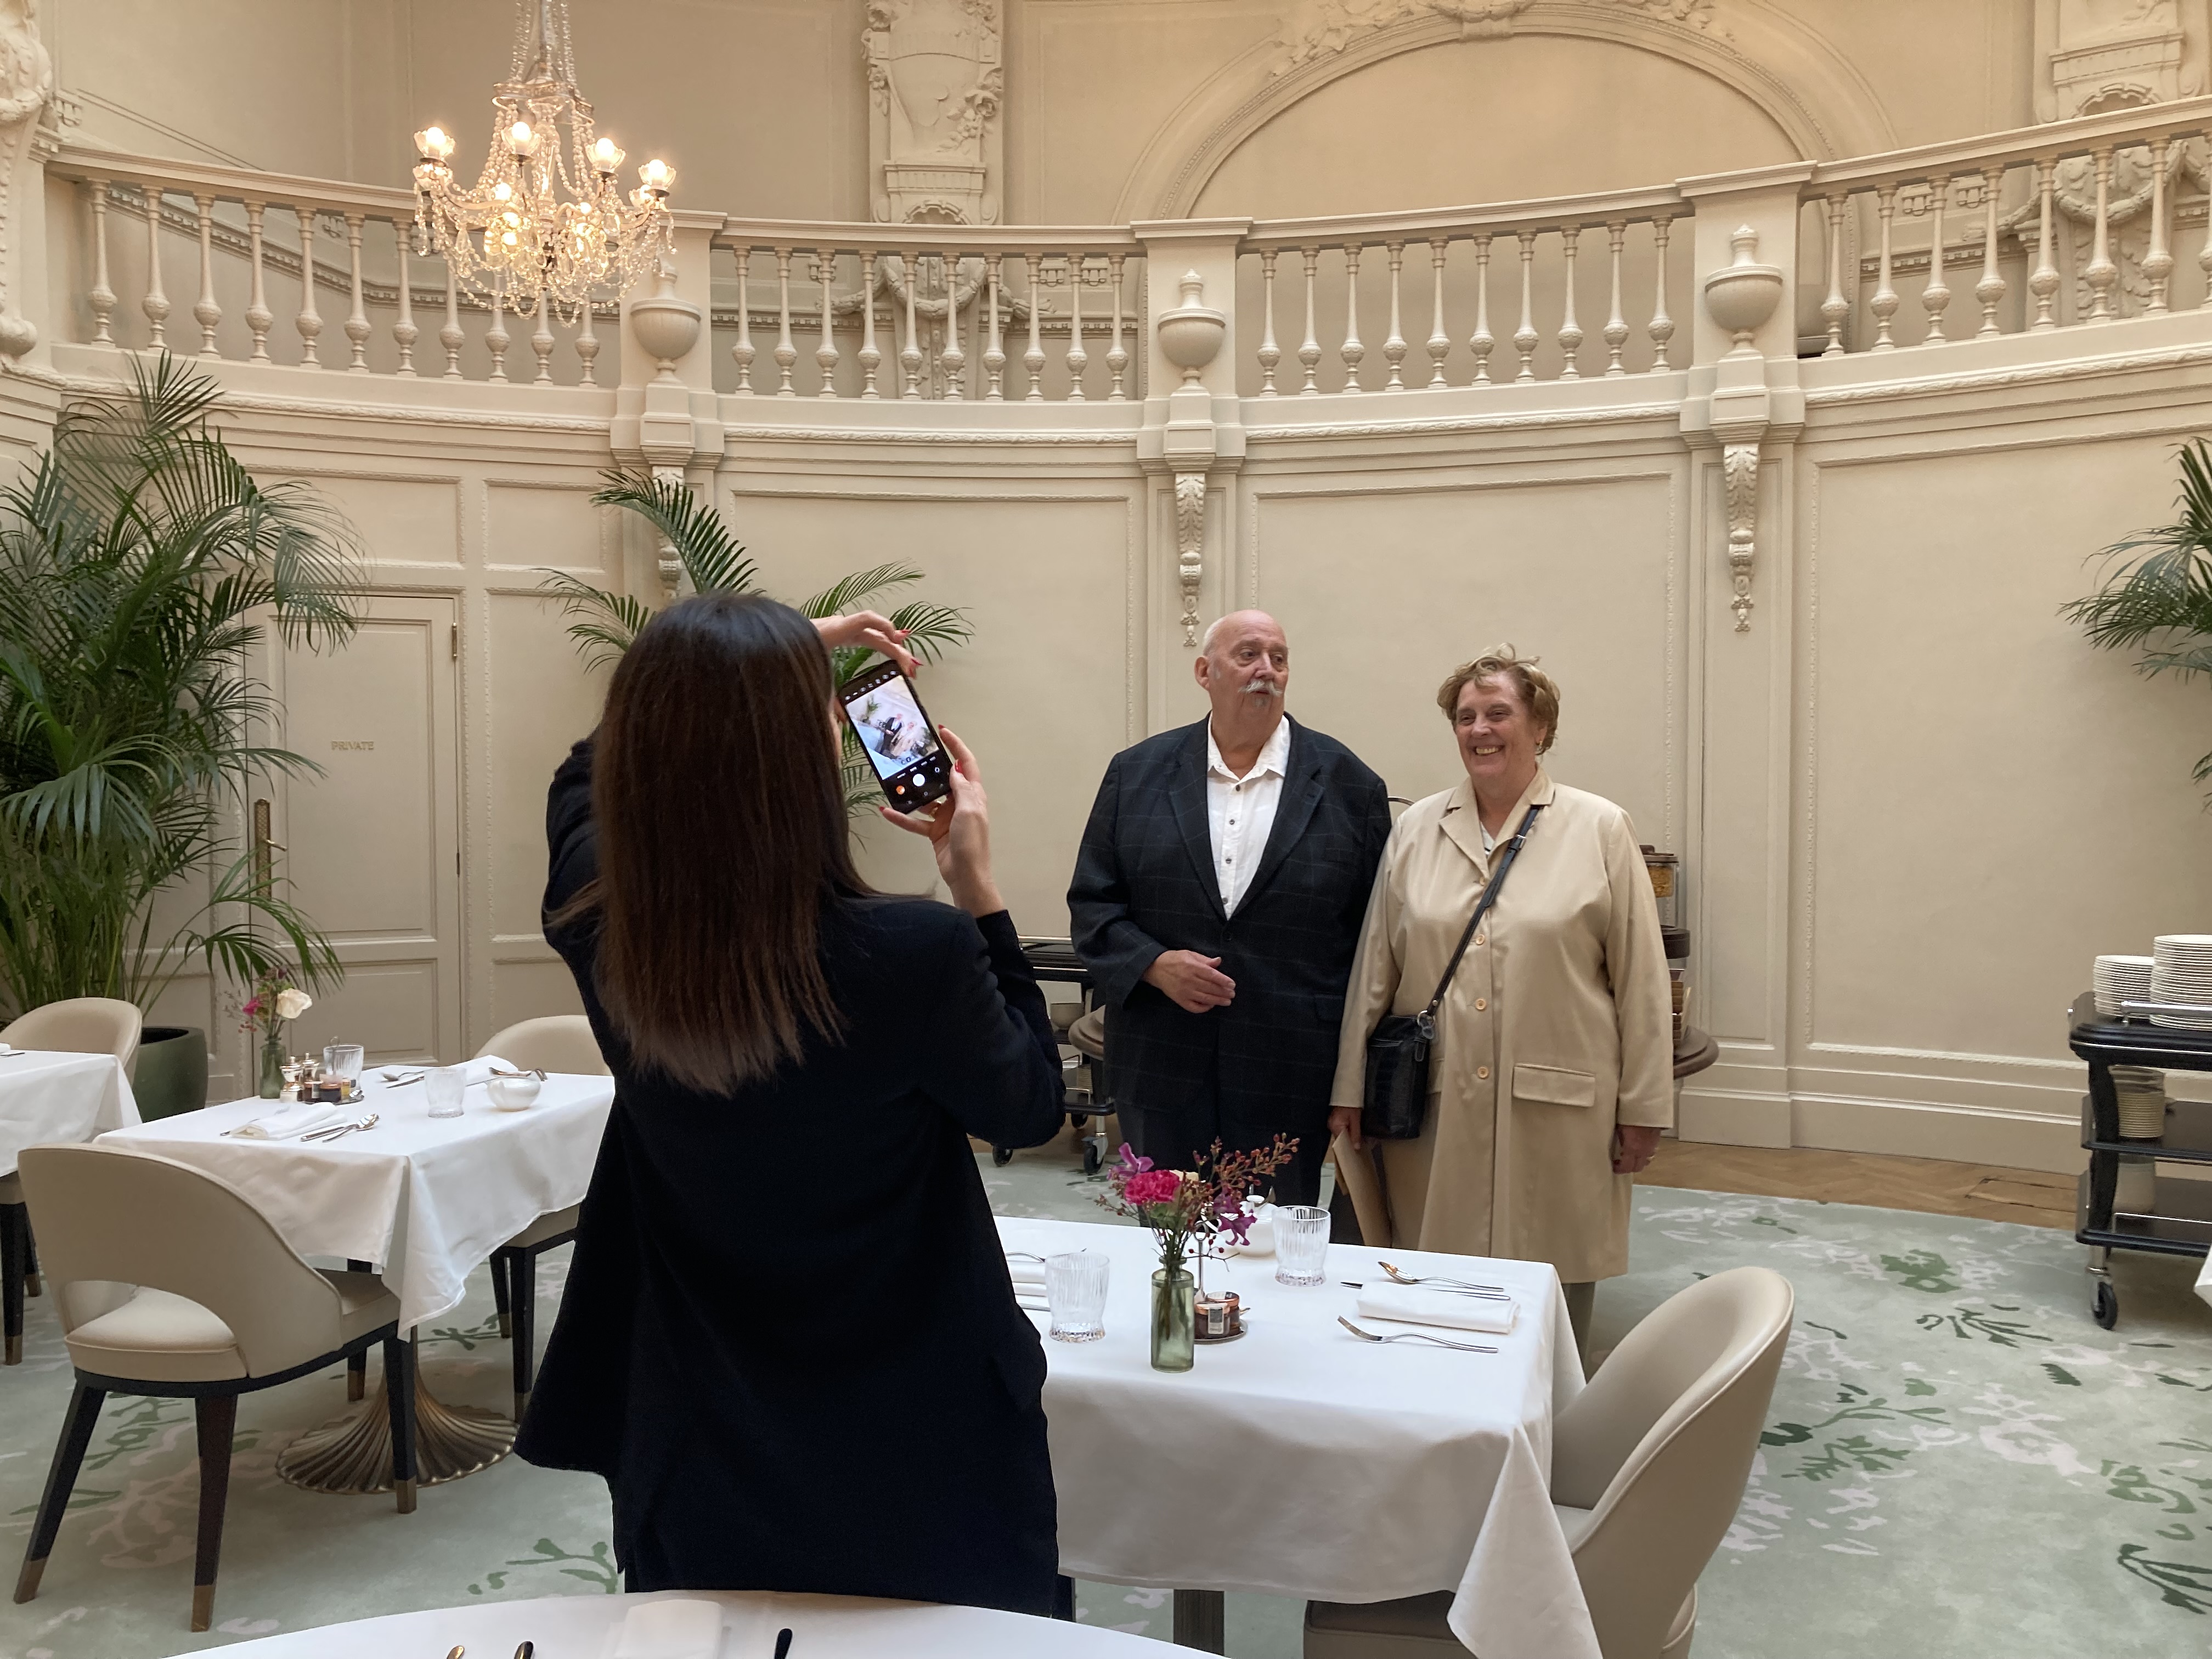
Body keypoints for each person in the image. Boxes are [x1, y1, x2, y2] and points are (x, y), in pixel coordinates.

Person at [516, 592, 1069, 1614]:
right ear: (797, 765)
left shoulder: (600, 930)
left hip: (697, 1420)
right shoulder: (914, 953)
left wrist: (739, 663)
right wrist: (978, 889)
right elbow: (1031, 1108)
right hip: (919, 1429)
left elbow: (578, 781)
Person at [1328, 646, 1672, 1358]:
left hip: (1561, 1110)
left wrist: (1644, 1107)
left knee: (1551, 1294)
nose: (1480, 730)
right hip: (1436, 1110)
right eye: (1466, 717)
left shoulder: (1601, 828)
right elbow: (1375, 968)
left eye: (1498, 714)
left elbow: (1641, 979)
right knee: (1432, 1286)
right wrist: (1350, 1089)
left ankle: (1548, 1414)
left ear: (1540, 727)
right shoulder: (1416, 829)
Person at [1068, 610, 1392, 1204]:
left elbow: (1375, 945)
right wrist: (1153, 965)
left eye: (1278, 658)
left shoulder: (1351, 787)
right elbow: (1093, 905)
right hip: (1162, 1065)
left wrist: (1354, 1082)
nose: (1266, 669)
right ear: (1204, 672)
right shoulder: (1136, 773)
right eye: (1248, 655)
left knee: (1269, 1247)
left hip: (1288, 1075)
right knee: (1169, 1241)